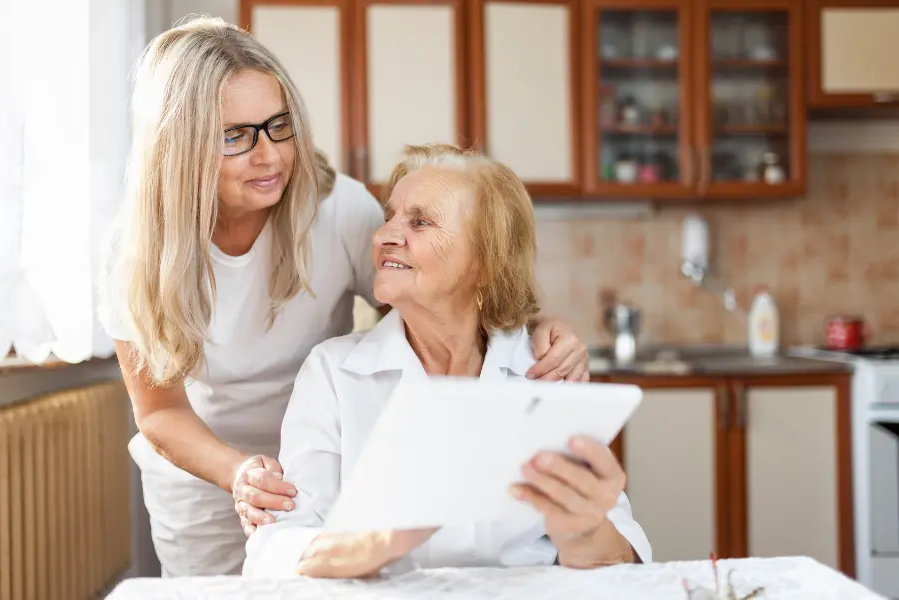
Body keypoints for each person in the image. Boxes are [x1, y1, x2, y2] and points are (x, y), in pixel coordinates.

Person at [97, 17, 592, 577]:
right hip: (208, 469)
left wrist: (537, 327)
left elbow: (438, 296)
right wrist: (239, 473)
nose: (270, 156)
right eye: (235, 136)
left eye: (279, 125)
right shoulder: (136, 251)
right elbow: (159, 410)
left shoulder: (337, 211)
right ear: (178, 147)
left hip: (327, 450)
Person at [243, 144, 651, 578]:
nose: (384, 236)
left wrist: (584, 534)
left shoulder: (547, 369)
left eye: (420, 221)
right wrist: (374, 545)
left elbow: (622, 555)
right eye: (389, 217)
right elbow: (278, 543)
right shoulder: (333, 373)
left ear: (485, 262)